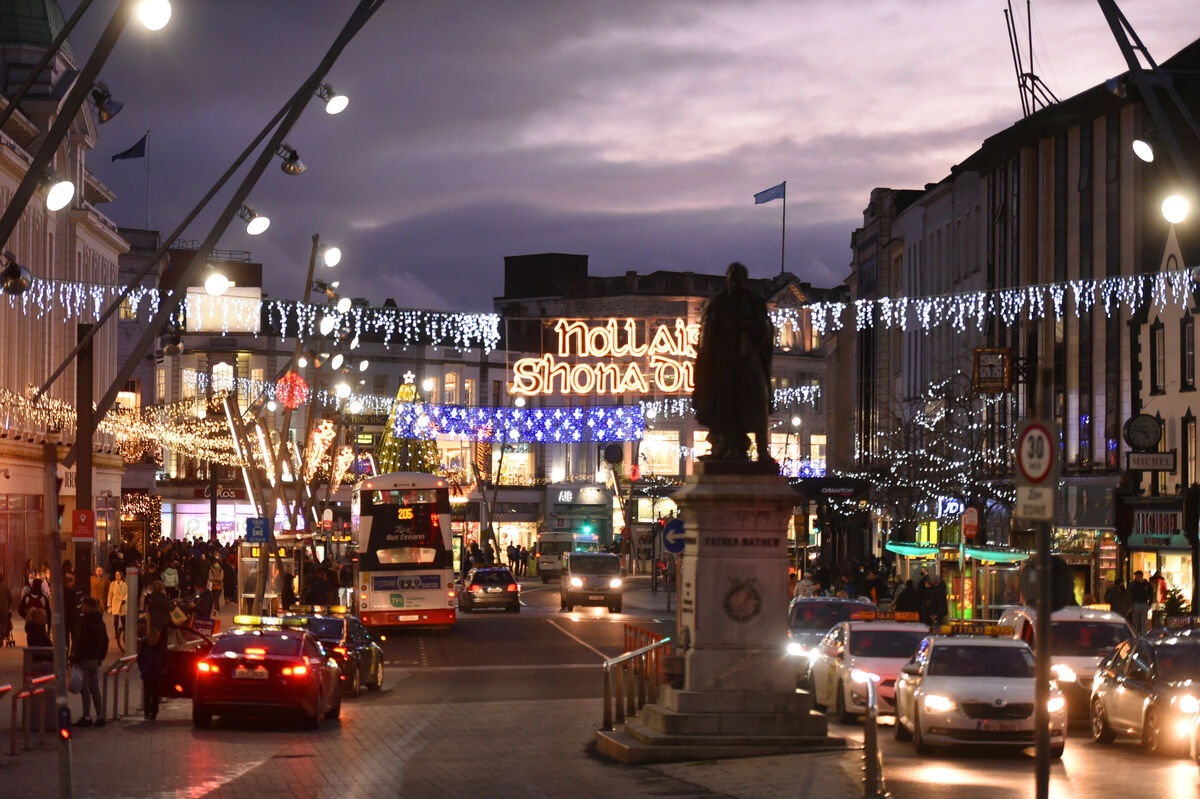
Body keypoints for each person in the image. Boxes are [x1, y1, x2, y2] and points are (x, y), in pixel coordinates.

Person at [692, 262, 775, 463]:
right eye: (731, 280)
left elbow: (765, 332)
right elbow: (706, 339)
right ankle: (724, 446)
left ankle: (762, 450)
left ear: (744, 281)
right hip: (723, 366)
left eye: (737, 280)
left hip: (749, 362)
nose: (734, 284)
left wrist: (747, 326)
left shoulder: (754, 303)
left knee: (758, 403)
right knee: (724, 406)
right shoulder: (717, 304)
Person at [72, 596, 108, 728]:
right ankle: (100, 716)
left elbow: (81, 641)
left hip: (85, 659)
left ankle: (87, 717)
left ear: (89, 607)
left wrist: (75, 657)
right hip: (95, 660)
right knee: (95, 688)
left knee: (85, 689)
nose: (82, 607)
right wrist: (101, 657)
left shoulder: (84, 622)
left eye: (84, 605)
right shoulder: (101, 622)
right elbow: (106, 641)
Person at [62, 572, 84, 651]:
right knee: (65, 641)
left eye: (70, 579)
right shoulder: (63, 590)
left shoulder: (77, 590)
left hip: (75, 619)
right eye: (67, 579)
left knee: (75, 639)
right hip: (65, 619)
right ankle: (65, 657)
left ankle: (73, 657)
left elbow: (81, 604)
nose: (69, 581)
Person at [1128, 570, 1152, 636]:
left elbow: (1151, 594)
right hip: (1135, 604)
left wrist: (1149, 604)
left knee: (1143, 621)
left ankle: (1143, 634)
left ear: (1140, 576)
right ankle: (1135, 634)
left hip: (1144, 604)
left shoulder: (1147, 584)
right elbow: (1129, 594)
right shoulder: (1133, 584)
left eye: (1137, 576)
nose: (1135, 577)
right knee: (1135, 621)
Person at [108, 570, 128, 644]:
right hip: (115, 603)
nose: (117, 576)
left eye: (119, 574)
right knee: (115, 619)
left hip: (122, 603)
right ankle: (116, 632)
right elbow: (110, 594)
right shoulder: (113, 584)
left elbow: (127, 593)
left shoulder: (125, 584)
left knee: (123, 619)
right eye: (116, 574)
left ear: (121, 575)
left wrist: (124, 599)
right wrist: (109, 605)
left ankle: (124, 632)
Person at [0, 570, 12, 644]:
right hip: (4, 607)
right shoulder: (6, 587)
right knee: (4, 622)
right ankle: (1, 637)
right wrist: (9, 606)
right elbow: (10, 597)